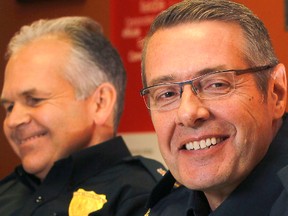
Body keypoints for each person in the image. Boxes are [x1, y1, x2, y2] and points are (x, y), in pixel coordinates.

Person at [0, 16, 166, 216]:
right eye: (9, 107)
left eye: (34, 100)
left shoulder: (145, 197)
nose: (13, 120)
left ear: (100, 103)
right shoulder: (6, 194)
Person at [140, 0, 288, 215]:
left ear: (276, 92)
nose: (188, 113)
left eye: (216, 84)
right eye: (167, 94)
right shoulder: (166, 208)